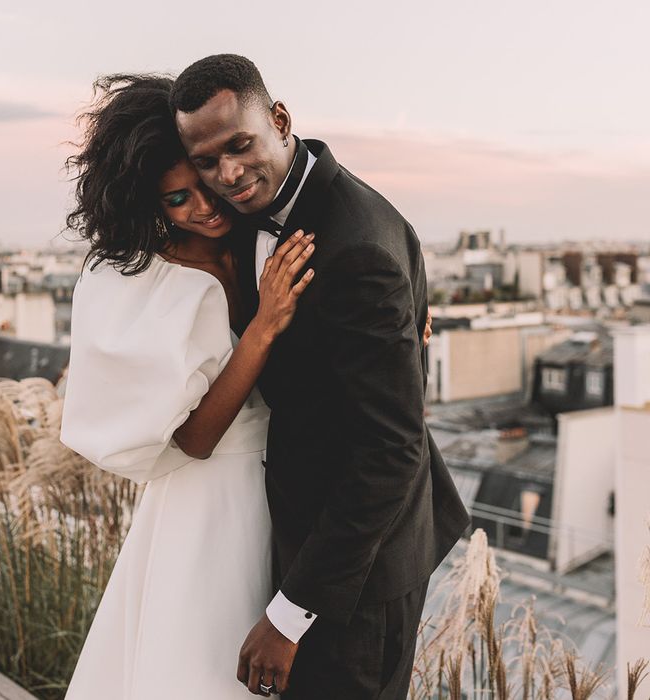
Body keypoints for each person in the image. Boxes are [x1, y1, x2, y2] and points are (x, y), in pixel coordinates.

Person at [170, 54, 471, 700]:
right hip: (306, 536)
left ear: (280, 120)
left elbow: (391, 451)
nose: (227, 174)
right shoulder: (251, 208)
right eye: (205, 160)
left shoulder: (356, 242)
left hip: (361, 575)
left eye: (240, 145)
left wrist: (289, 614)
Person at [59, 74, 316, 698]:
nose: (203, 208)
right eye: (177, 201)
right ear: (151, 205)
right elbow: (197, 440)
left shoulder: (258, 239)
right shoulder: (160, 280)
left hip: (279, 488)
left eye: (205, 185)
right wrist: (261, 330)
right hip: (211, 504)